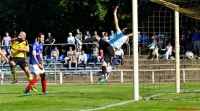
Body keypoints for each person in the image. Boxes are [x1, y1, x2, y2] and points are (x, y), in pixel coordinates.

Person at [76, 6, 133, 83]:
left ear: (123, 30)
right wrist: (135, 33)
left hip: (108, 46)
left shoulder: (120, 32)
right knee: (104, 63)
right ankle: (103, 75)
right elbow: (129, 35)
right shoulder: (125, 38)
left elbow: (116, 22)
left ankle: (81, 42)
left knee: (97, 37)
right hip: (112, 52)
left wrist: (115, 13)